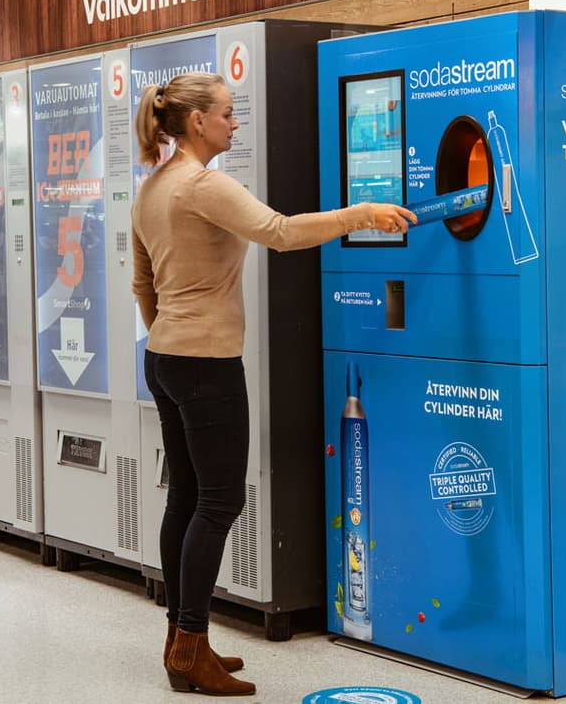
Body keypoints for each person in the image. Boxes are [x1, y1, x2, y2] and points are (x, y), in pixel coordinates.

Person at [131, 72, 416, 696]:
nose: (235, 123)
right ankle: (188, 645)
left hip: (166, 358)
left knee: (186, 496)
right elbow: (281, 233)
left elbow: (142, 286)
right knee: (219, 501)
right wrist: (360, 213)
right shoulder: (201, 184)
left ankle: (185, 641)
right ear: (197, 122)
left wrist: (170, 338)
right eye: (229, 114)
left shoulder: (151, 187)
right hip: (205, 364)